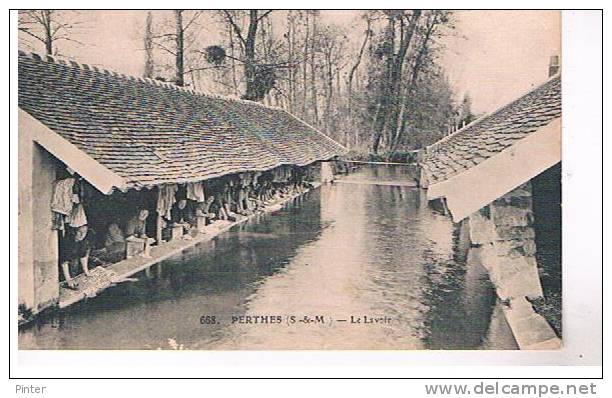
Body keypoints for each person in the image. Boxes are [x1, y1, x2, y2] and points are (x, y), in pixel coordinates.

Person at [60, 225, 94, 290]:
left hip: (73, 267)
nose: (82, 235)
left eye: (84, 232)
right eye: (79, 231)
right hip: (64, 269)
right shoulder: (67, 242)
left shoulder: (83, 242)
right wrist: (68, 279)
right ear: (74, 231)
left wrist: (87, 272)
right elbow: (64, 263)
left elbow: (83, 256)